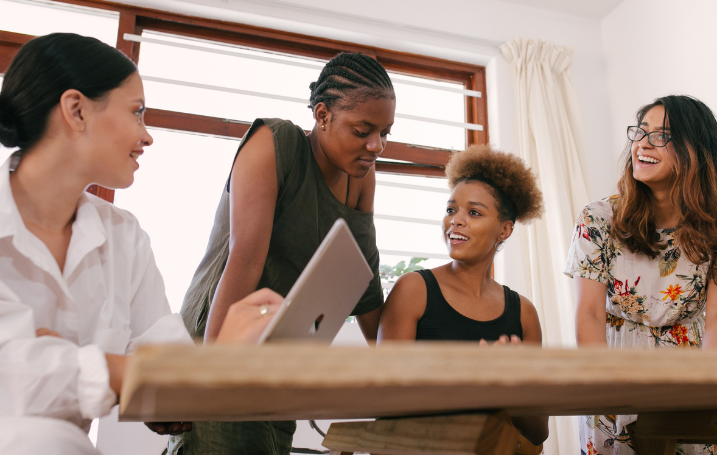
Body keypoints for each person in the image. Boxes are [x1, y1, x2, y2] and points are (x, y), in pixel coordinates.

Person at [0, 33, 286, 455]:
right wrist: (123, 372)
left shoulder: (124, 237)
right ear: (76, 111)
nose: (147, 136)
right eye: (137, 113)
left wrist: (219, 361)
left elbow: (168, 388)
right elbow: (18, 377)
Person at [171, 53, 395, 454]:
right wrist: (210, 373)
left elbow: (365, 281)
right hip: (222, 339)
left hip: (281, 354)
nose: (375, 145)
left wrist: (402, 375)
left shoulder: (361, 176)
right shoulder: (274, 143)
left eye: (385, 133)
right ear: (322, 115)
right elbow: (245, 259)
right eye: (363, 130)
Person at [566, 95, 717, 454]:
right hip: (612, 368)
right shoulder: (598, 218)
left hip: (689, 374)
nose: (642, 144)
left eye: (662, 135)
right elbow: (588, 313)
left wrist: (704, 386)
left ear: (694, 149)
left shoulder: (713, 227)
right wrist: (607, 385)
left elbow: (716, 324)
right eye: (641, 132)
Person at [377, 144, 549, 446]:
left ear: (504, 230)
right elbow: (384, 403)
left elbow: (537, 433)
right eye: (450, 209)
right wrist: (477, 381)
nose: (455, 220)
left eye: (474, 212)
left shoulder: (523, 312)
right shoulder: (414, 291)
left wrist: (513, 385)